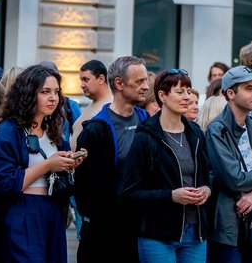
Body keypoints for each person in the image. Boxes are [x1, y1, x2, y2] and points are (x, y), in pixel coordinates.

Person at [0, 64, 83, 263]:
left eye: (56, 92)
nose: (53, 98)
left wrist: (69, 165)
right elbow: (3, 183)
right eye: (45, 92)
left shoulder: (53, 129)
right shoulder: (9, 131)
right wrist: (48, 165)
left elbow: (56, 175)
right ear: (28, 94)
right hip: (20, 212)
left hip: (52, 211)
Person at [121, 70, 212, 262]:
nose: (187, 97)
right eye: (180, 92)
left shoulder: (195, 133)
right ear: (162, 95)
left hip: (195, 233)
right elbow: (130, 192)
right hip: (157, 233)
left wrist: (206, 189)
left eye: (188, 91)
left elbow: (209, 173)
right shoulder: (145, 137)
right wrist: (171, 196)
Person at [75, 56, 150, 263]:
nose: (146, 87)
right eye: (139, 81)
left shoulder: (147, 122)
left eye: (146, 80)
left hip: (139, 228)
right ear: (119, 83)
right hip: (104, 234)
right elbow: (83, 185)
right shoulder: (95, 130)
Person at [205, 66, 252, 263]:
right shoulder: (217, 130)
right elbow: (233, 179)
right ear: (230, 93)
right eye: (249, 88)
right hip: (228, 224)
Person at [76, 60, 112, 124]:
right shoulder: (95, 102)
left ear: (101, 79)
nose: (82, 85)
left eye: (86, 80)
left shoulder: (112, 105)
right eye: (81, 80)